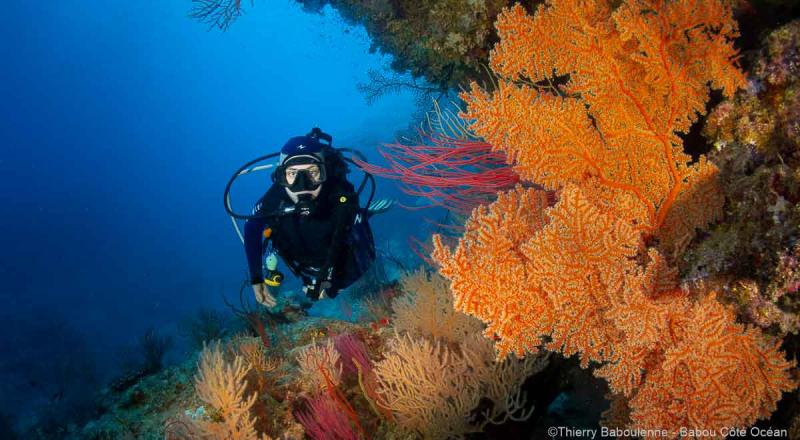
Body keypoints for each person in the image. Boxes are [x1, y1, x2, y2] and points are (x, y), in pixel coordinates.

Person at [243, 128, 391, 307]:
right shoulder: (273, 200)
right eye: (292, 174)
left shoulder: (340, 198)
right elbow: (251, 228)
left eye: (312, 172)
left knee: (354, 220)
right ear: (281, 176)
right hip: (302, 260)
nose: (302, 185)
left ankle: (365, 213)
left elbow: (366, 255)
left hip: (334, 253)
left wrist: (333, 287)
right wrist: (256, 278)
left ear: (324, 172)